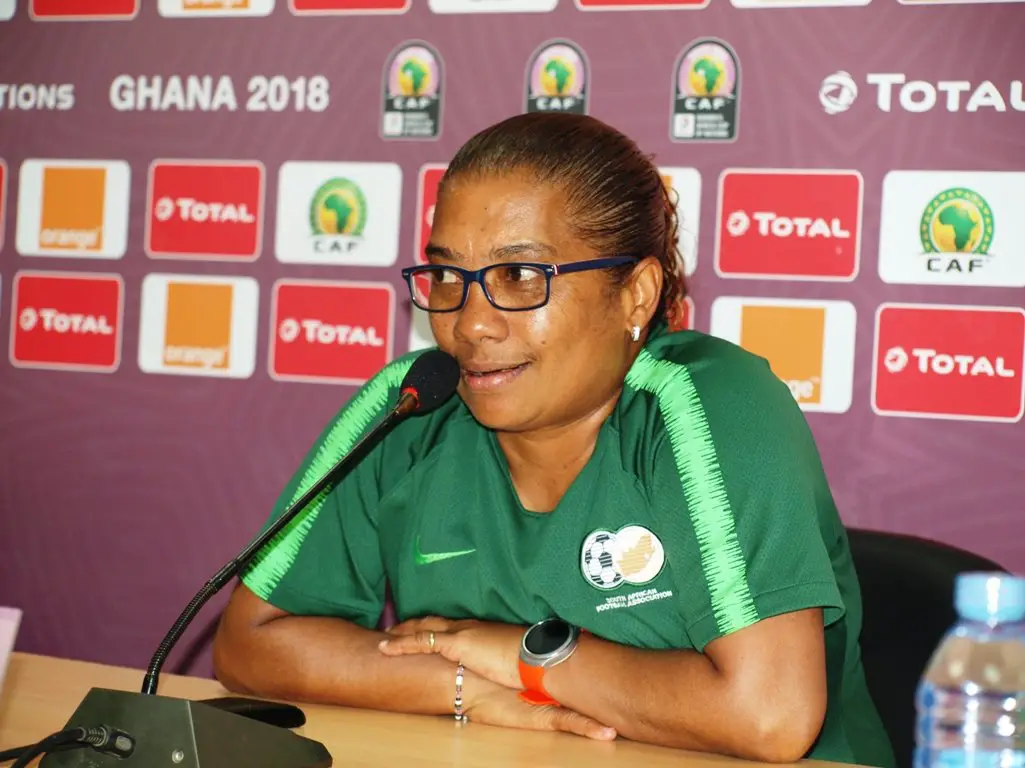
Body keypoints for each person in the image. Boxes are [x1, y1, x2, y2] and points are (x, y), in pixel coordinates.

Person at [212, 112, 895, 767]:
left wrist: (528, 658)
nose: (470, 324)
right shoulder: (413, 409)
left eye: (518, 277)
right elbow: (249, 645)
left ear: (635, 294)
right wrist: (465, 687)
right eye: (448, 276)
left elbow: (768, 714)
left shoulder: (707, 403)